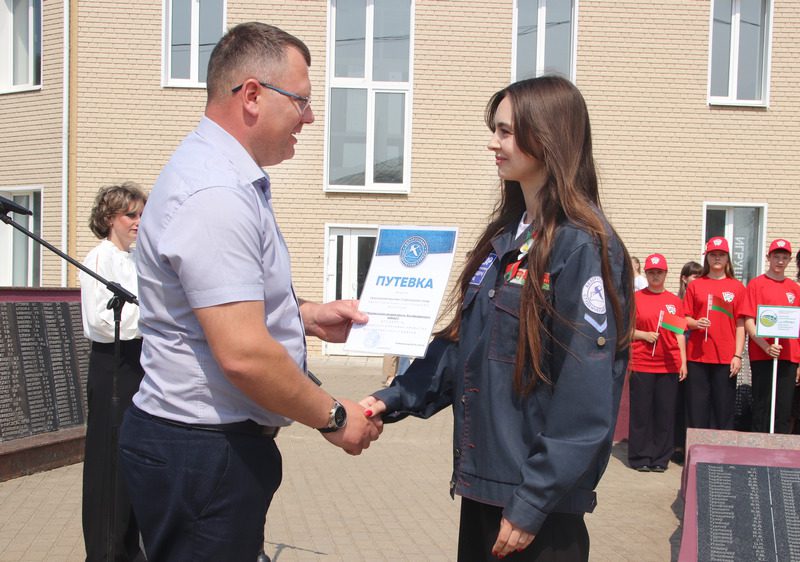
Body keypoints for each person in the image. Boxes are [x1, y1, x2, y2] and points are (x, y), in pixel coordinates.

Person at [117, 22, 381, 561]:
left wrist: (305, 315)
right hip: (202, 450)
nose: (309, 118)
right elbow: (241, 353)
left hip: (202, 450)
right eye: (302, 102)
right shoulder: (216, 191)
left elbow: (217, 303)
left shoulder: (223, 177)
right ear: (253, 96)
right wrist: (334, 416)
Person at [360, 76, 634, 561]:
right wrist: (390, 399)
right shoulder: (508, 238)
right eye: (496, 130)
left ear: (547, 136)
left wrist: (532, 502)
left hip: (536, 509)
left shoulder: (580, 245)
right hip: (488, 488)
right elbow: (464, 347)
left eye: (506, 131)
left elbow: (585, 397)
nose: (494, 142)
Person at [79, 182, 147, 561]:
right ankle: (105, 551)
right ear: (109, 219)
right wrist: (152, 316)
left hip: (139, 363)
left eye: (141, 215)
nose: (139, 222)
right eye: (131, 215)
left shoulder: (136, 260)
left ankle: (129, 546)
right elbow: (102, 321)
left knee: (132, 459)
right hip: (113, 365)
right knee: (108, 462)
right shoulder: (99, 259)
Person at [628, 254, 687, 473]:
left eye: (659, 272)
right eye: (651, 272)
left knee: (665, 413)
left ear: (665, 274)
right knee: (642, 413)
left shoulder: (674, 302)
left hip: (668, 364)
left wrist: (683, 361)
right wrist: (644, 335)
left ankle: (661, 457)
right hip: (642, 363)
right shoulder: (636, 299)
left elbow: (679, 333)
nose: (655, 276)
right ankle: (640, 455)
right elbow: (626, 331)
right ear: (646, 274)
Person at [683, 236, 746, 430]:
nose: (717, 258)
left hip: (725, 357)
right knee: (697, 408)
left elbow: (740, 324)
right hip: (698, 356)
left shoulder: (737, 287)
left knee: (724, 408)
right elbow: (685, 318)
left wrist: (737, 355)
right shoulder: (695, 285)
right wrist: (696, 323)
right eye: (713, 255)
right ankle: (695, 452)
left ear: (727, 258)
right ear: (707, 258)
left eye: (721, 255)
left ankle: (722, 453)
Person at [739, 239, 800, 433]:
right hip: (762, 354)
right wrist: (765, 345)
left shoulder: (794, 289)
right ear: (768, 258)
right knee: (762, 406)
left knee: (783, 408)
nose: (780, 261)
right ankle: (758, 452)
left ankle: (779, 455)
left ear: (789, 260)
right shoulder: (756, 285)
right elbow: (749, 321)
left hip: (788, 355)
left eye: (784, 257)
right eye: (776, 257)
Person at [671, 260, 701, 463]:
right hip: (679, 357)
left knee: (692, 403)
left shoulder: (700, 300)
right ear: (684, 278)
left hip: (696, 357)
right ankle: (677, 445)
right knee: (678, 403)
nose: (697, 280)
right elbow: (675, 332)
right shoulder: (675, 301)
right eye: (694, 276)